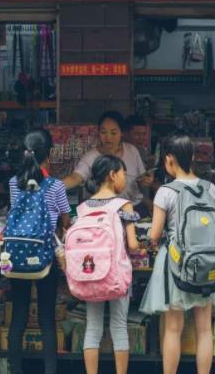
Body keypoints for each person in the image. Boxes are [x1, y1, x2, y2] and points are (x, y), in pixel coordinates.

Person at [139, 132, 215, 374]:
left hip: (176, 263)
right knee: (205, 328)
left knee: (173, 327)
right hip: (208, 262)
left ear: (169, 159)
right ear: (193, 157)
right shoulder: (211, 189)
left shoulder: (166, 191)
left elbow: (154, 235)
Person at [7, 129, 71, 374]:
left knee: (19, 316)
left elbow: (18, 215)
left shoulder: (15, 183)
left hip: (18, 256)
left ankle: (15, 370)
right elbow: (65, 220)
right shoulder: (56, 186)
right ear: (49, 154)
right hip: (45, 256)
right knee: (46, 317)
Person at [80, 155, 139, 374]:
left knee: (92, 327)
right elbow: (132, 245)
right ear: (113, 175)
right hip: (116, 275)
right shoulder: (124, 205)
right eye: (124, 173)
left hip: (91, 274)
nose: (125, 179)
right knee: (118, 326)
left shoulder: (83, 207)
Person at [62, 111, 153, 217]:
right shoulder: (91, 156)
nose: (108, 137)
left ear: (122, 133)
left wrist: (146, 180)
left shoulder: (132, 151)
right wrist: (53, 186)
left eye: (113, 133)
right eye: (103, 132)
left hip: (133, 208)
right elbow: (76, 177)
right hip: (103, 213)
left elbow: (141, 180)